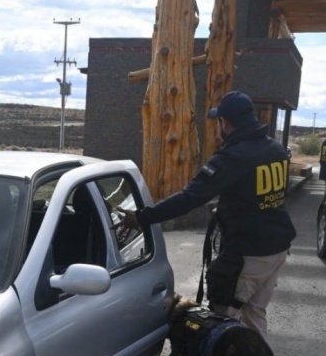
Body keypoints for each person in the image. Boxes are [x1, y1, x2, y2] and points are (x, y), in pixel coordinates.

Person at [118, 90, 296, 338]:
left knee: (224, 316)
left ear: (226, 122)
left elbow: (190, 197)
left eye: (218, 122)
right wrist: (227, 206)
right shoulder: (275, 149)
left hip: (251, 252)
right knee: (255, 313)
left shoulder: (232, 157)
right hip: (277, 248)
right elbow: (266, 193)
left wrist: (142, 217)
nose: (217, 127)